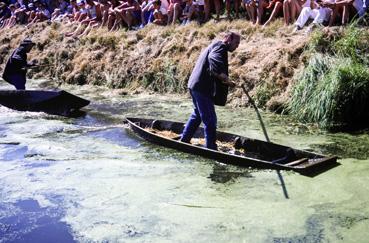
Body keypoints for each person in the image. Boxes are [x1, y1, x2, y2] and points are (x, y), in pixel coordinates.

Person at [180, 32, 240, 150]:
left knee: (198, 114)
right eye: (236, 42)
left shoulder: (216, 45)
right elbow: (214, 59)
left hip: (195, 85)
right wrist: (226, 79)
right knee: (210, 120)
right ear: (228, 39)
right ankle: (211, 148)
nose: (237, 46)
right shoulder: (220, 47)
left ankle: (184, 139)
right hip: (201, 87)